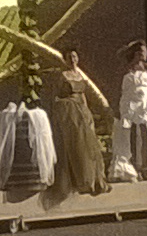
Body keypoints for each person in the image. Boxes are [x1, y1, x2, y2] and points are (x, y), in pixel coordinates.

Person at [44, 48, 107, 205]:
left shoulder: (80, 74)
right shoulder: (62, 76)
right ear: (65, 60)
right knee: (76, 144)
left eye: (74, 56)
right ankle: (78, 179)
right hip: (69, 112)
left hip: (82, 111)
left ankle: (91, 180)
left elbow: (84, 94)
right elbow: (55, 96)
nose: (72, 59)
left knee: (88, 145)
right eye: (69, 57)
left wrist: (87, 111)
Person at [111, 41, 147, 183]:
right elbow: (118, 88)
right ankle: (134, 165)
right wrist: (116, 107)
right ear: (137, 54)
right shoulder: (126, 69)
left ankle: (146, 167)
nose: (146, 54)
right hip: (129, 104)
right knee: (132, 136)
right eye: (143, 52)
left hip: (145, 104)